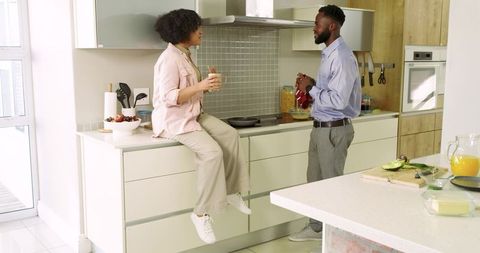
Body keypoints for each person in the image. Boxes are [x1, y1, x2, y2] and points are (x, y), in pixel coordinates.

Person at [152, 9, 251, 245]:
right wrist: (200, 86)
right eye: (197, 28)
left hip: (194, 114)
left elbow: (192, 90)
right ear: (183, 31)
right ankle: (200, 213)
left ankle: (231, 191)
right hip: (175, 120)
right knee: (212, 153)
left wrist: (206, 86)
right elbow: (168, 97)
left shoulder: (185, 54)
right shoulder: (169, 59)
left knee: (230, 134)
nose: (201, 31)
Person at [288, 5, 361, 242]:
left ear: (332, 26)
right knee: (315, 183)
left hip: (334, 130)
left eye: (317, 24)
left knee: (332, 185)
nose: (314, 28)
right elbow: (328, 94)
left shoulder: (341, 56)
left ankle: (336, 235)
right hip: (321, 128)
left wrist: (311, 87)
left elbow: (339, 101)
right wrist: (309, 92)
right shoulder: (329, 53)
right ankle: (317, 228)